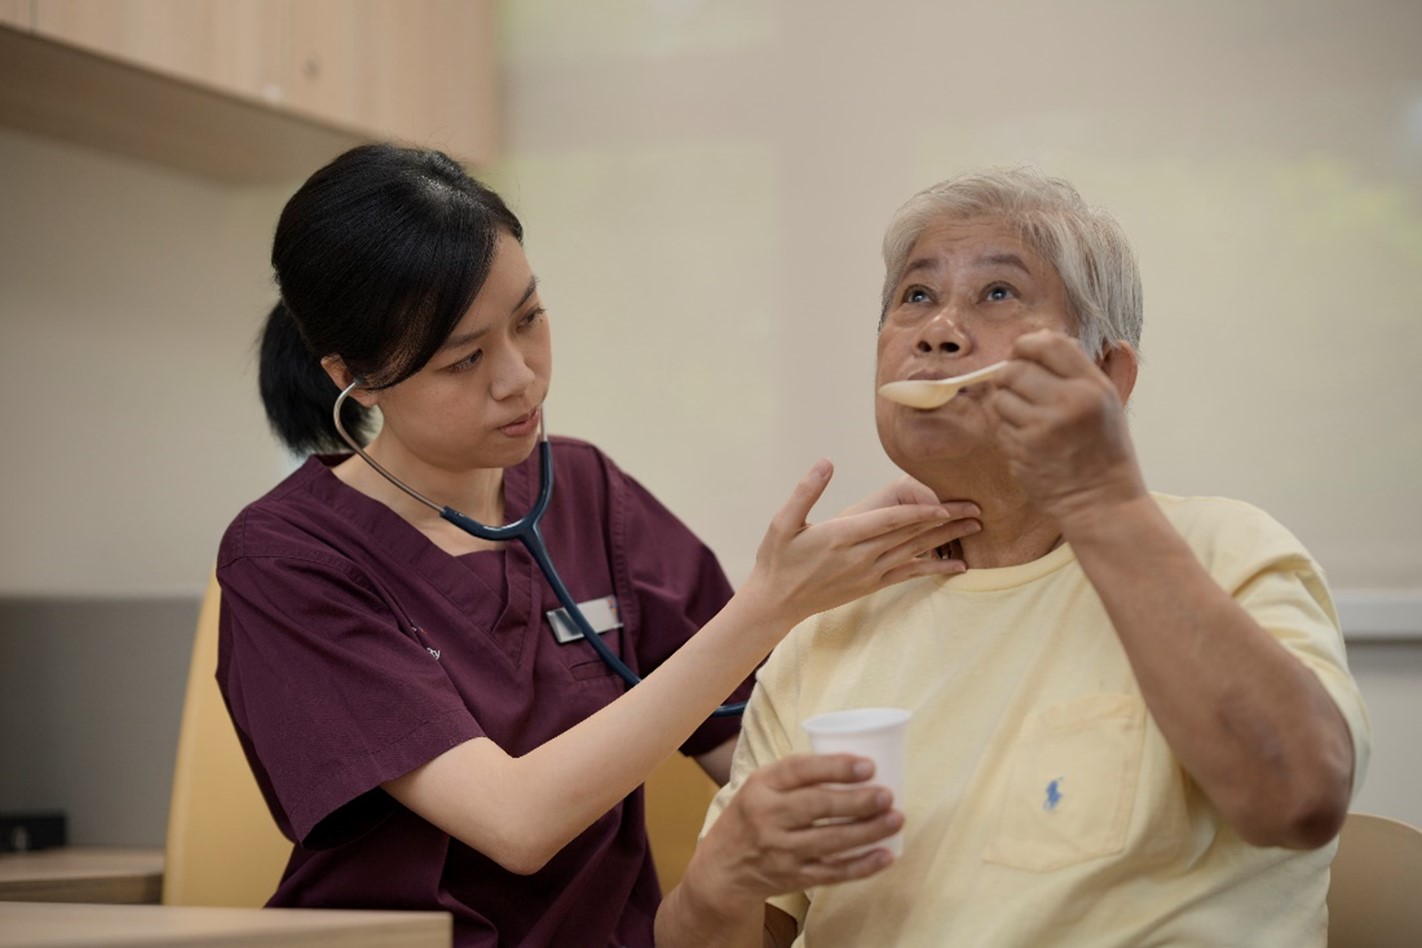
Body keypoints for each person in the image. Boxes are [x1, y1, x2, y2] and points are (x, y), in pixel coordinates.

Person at [214, 143, 975, 947]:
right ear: (353, 377)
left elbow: (751, 747)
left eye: (529, 320)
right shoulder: (289, 558)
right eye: (465, 359)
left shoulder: (586, 493)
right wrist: (773, 600)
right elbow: (515, 824)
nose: (521, 379)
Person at [655, 167, 1370, 947]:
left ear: (1105, 376)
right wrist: (724, 876)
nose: (939, 330)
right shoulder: (829, 628)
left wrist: (1102, 499)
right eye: (917, 297)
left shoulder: (1228, 550)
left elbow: (1298, 799)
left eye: (999, 294)